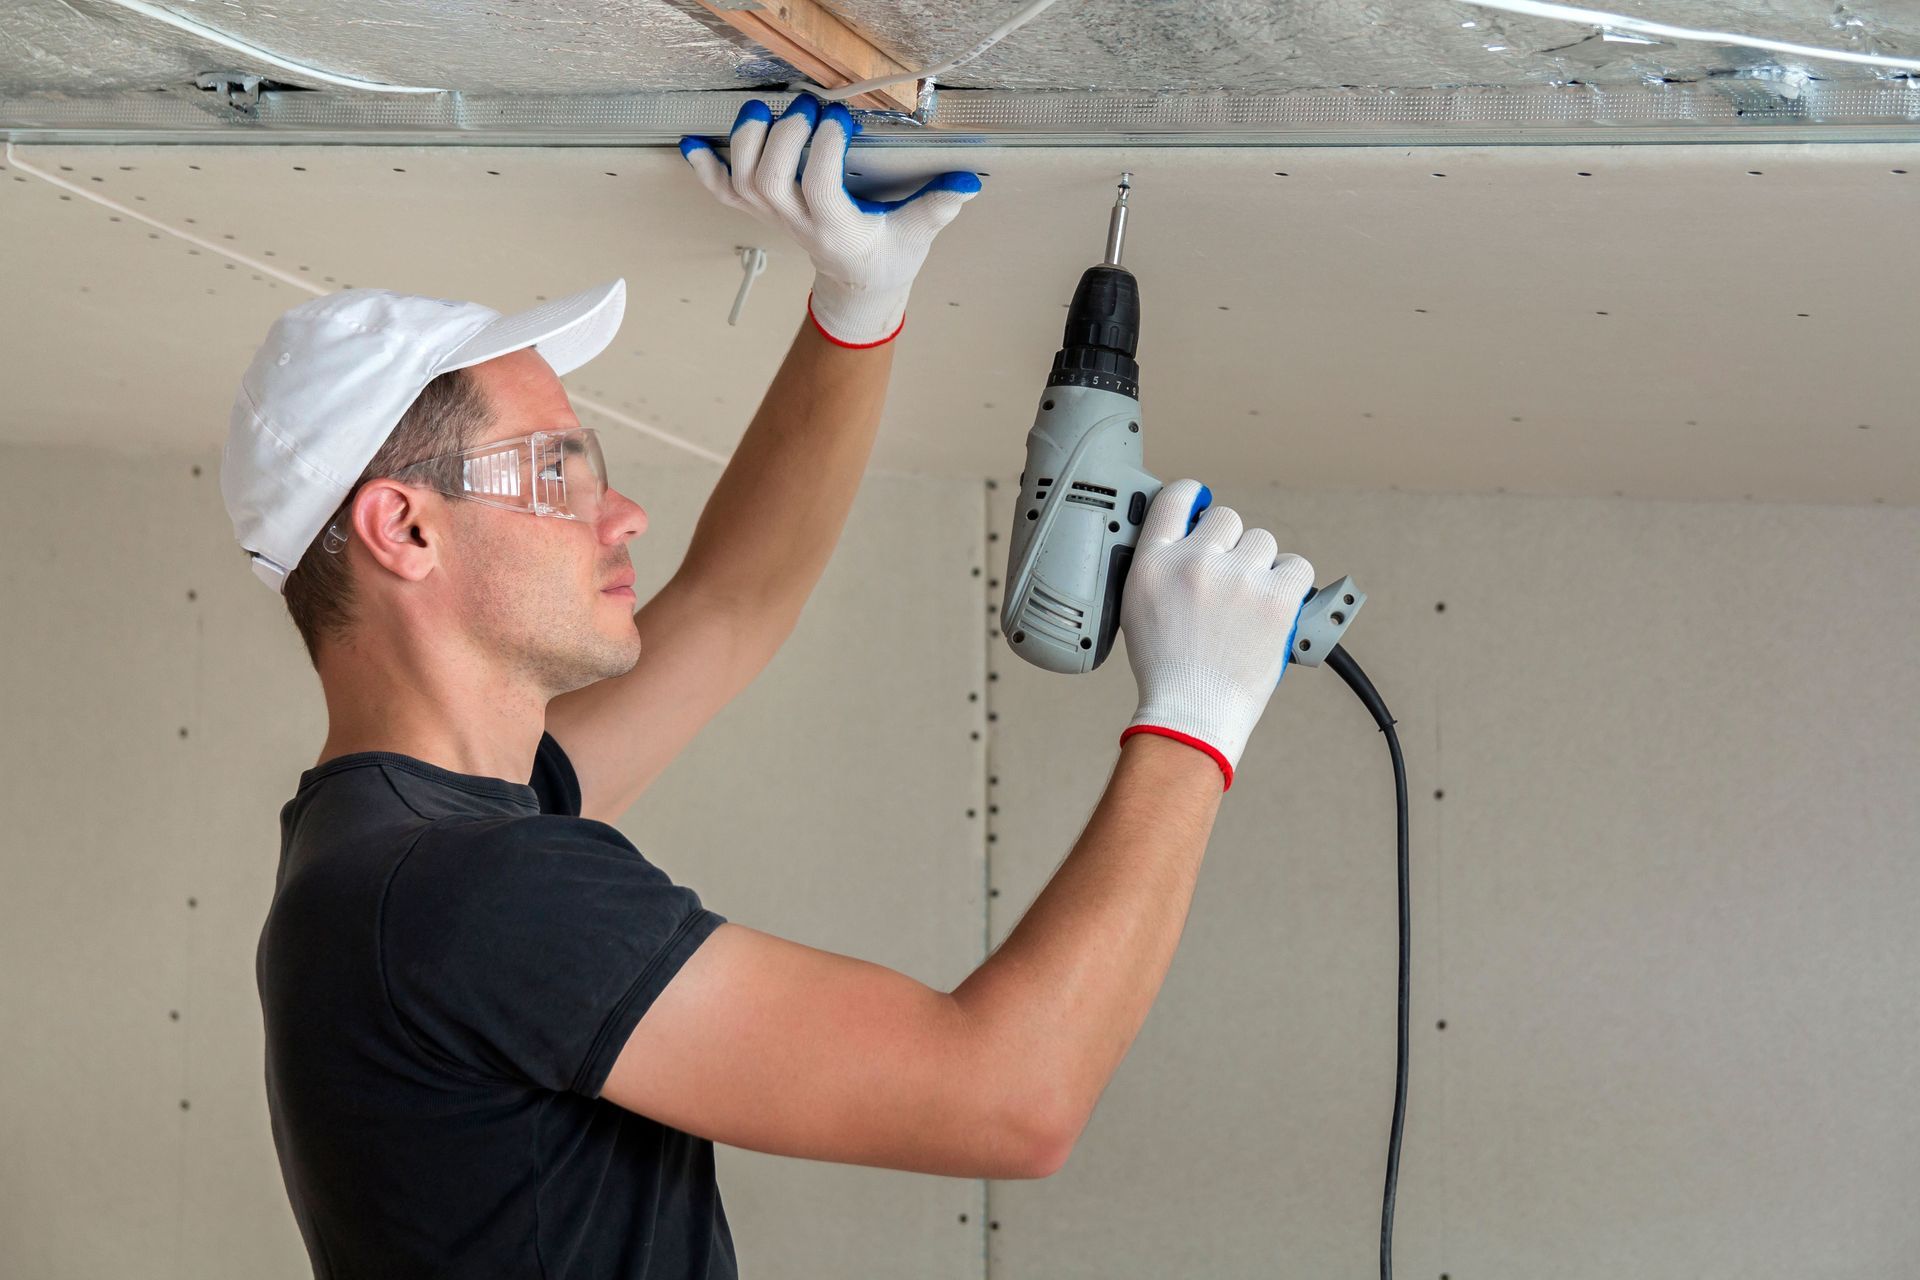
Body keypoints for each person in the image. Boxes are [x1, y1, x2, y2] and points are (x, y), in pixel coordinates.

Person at [225, 94, 1313, 1279]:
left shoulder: (394, 843)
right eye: (557, 469)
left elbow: (732, 608)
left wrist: (857, 307)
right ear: (405, 530)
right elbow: (1011, 1095)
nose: (622, 510)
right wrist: (1193, 718)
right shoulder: (470, 891)